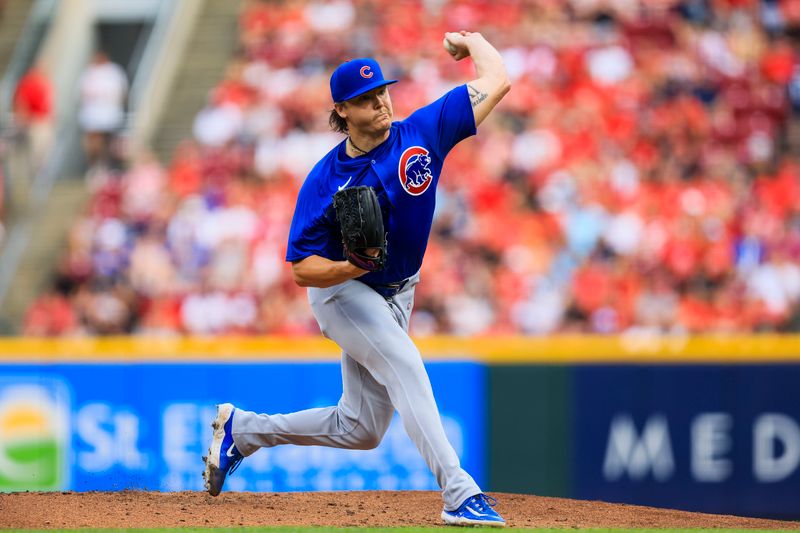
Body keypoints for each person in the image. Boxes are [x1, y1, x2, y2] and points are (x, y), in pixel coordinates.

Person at [203, 31, 510, 527]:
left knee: (361, 428)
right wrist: (350, 267)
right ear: (342, 111)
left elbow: (496, 81)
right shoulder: (324, 182)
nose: (380, 103)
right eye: (366, 100)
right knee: (405, 364)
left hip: (398, 291)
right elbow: (302, 268)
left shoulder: (423, 133)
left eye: (382, 92)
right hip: (343, 293)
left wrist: (472, 41)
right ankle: (458, 492)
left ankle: (244, 431)